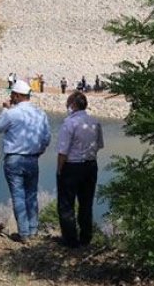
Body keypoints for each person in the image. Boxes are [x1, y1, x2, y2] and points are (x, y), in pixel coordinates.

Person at [0, 80, 51, 243]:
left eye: (12, 95)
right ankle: (33, 230)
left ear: (17, 96)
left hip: (14, 159)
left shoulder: (12, 113)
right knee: (31, 194)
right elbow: (47, 138)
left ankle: (24, 233)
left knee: (18, 195)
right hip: (32, 159)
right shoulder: (40, 113)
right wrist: (39, 151)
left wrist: (5, 108)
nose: (11, 97)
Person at [56, 92, 103, 248]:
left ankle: (70, 240)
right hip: (90, 166)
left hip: (72, 166)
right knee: (86, 203)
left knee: (66, 204)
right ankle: (86, 237)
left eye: (68, 103)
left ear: (73, 105)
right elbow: (99, 145)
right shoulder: (95, 122)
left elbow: (63, 151)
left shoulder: (69, 123)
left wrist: (59, 170)